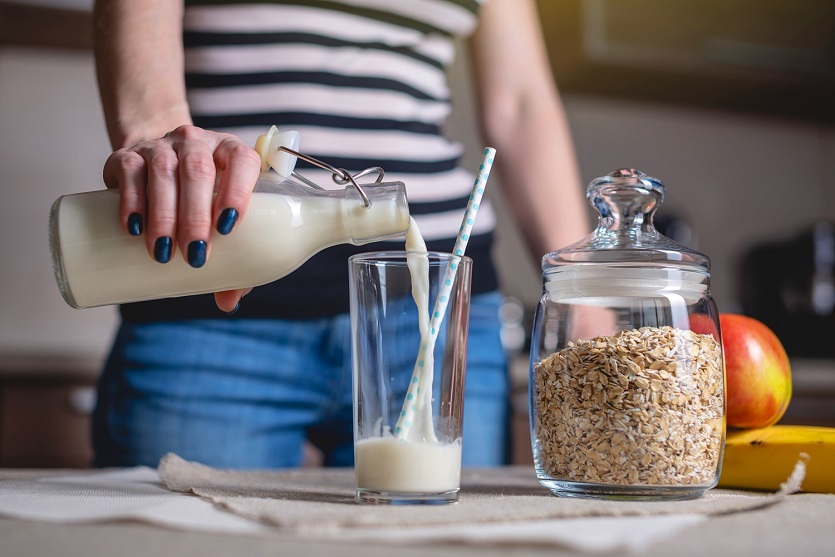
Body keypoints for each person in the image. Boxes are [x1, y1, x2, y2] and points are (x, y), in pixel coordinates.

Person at [90, 0, 589, 469]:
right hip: (213, 283)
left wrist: (582, 298)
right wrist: (161, 142)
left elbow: (521, 102)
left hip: (435, 311)